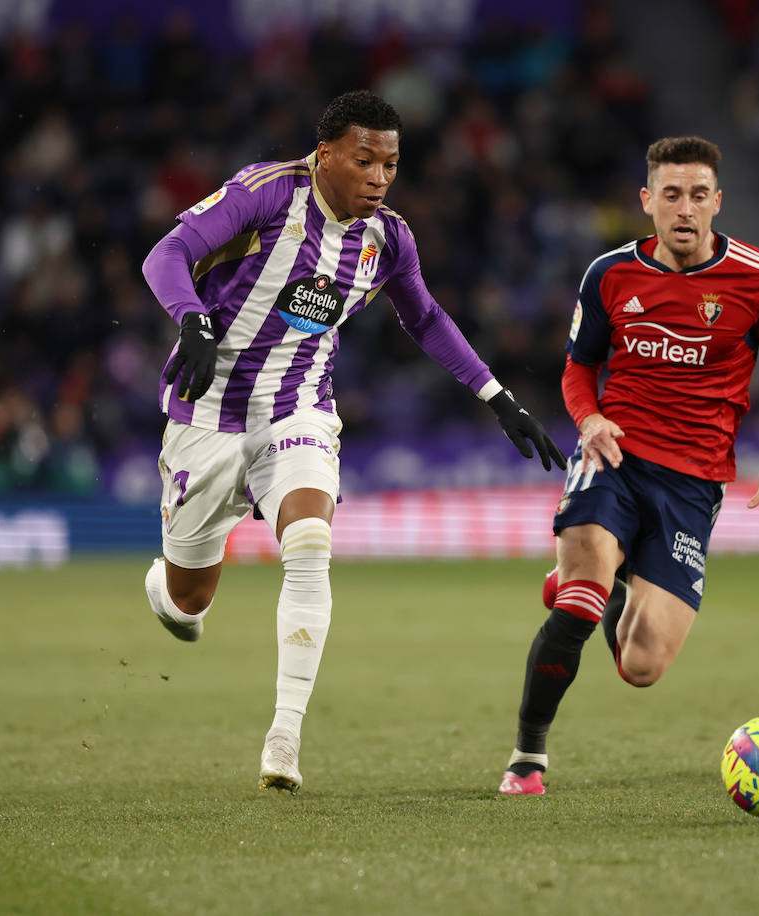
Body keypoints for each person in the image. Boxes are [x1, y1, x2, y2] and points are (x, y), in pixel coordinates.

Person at [139, 90, 566, 794]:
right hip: (208, 413)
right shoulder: (266, 194)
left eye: (391, 164)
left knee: (309, 545)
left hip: (299, 407)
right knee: (189, 597)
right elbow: (169, 253)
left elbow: (424, 317)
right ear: (326, 153)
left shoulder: (387, 239)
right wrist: (191, 319)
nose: (378, 177)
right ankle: (170, 591)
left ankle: (285, 736)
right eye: (365, 160)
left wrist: (497, 396)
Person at [497, 136, 759, 795]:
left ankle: (607, 577)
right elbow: (578, 368)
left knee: (641, 666)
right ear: (648, 202)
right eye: (671, 194)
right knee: (579, 601)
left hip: (694, 484)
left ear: (717, 202)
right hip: (613, 457)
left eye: (699, 195)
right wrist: (589, 420)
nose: (685, 208)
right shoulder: (609, 275)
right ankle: (528, 757)